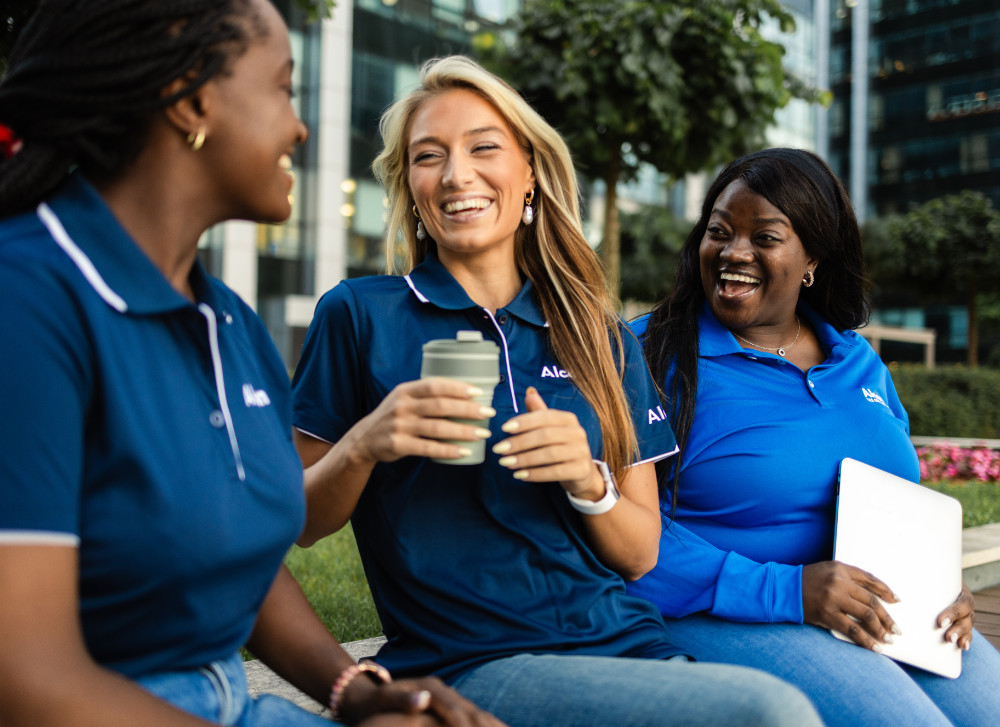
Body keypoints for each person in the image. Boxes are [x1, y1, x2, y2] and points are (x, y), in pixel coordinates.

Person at [0, 3, 504, 726]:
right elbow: (23, 677)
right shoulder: (27, 300)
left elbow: (244, 555)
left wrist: (355, 691)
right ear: (192, 98)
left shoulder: (229, 322)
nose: (300, 127)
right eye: (283, 88)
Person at [291, 56, 824, 727]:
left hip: (628, 644)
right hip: (472, 660)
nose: (457, 174)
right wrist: (366, 443)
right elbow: (301, 520)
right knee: (772, 711)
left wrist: (588, 478)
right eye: (429, 156)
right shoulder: (359, 314)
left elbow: (639, 551)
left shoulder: (596, 332)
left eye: (484, 147)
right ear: (411, 186)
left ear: (530, 174)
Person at [629, 147, 1000, 727]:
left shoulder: (857, 361)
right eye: (718, 232)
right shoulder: (647, 354)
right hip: (724, 611)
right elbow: (619, 533)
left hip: (876, 610)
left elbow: (902, 500)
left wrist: (941, 584)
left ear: (812, 259)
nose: (733, 252)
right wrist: (789, 590)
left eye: (765, 237)